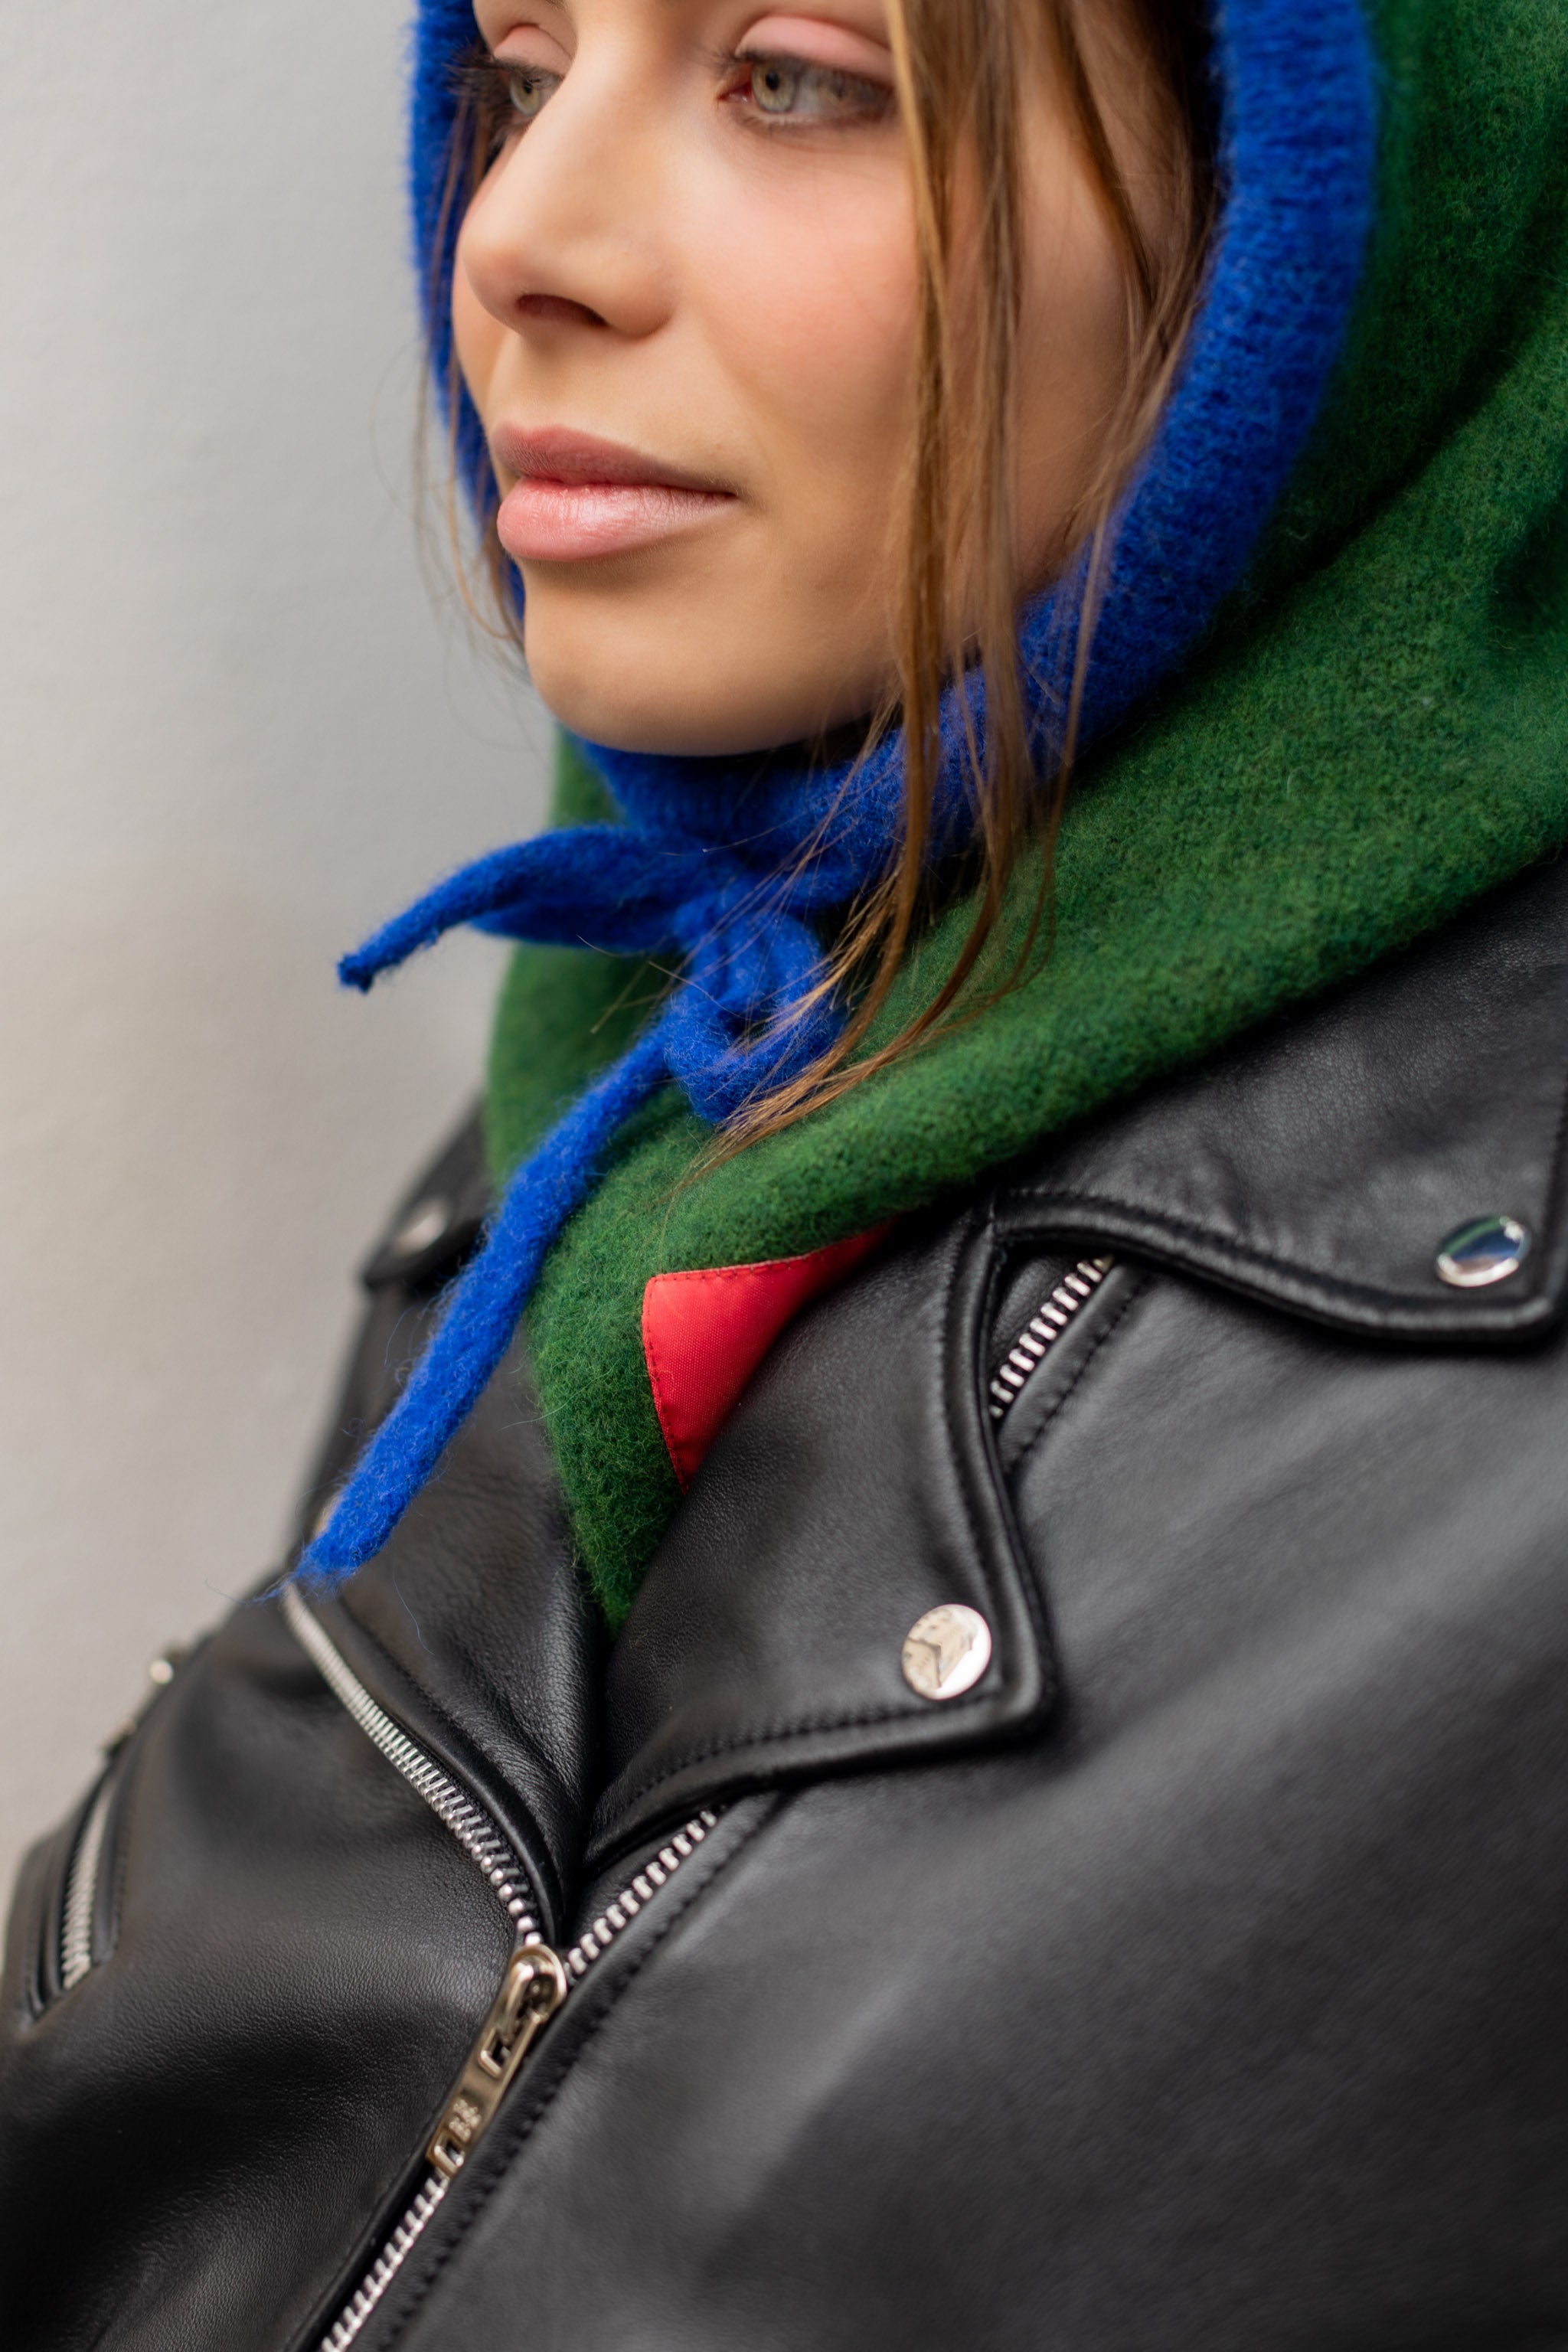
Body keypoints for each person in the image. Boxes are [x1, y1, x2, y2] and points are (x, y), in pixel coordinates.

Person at [5, 0, 1568, 2343]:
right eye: (521, 71)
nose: (516, 236)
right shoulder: (627, 1077)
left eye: (795, 77)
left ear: (1318, 194)